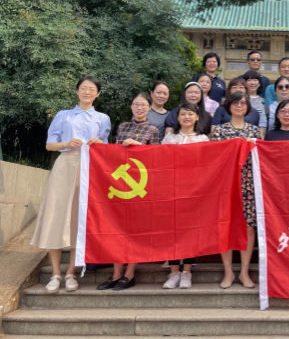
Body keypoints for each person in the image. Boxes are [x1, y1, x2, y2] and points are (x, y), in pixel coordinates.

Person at [31, 76, 110, 294]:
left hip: (89, 168)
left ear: (98, 94)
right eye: (83, 88)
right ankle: (55, 274)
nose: (87, 92)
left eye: (92, 89)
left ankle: (71, 273)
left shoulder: (103, 118)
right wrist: (66, 143)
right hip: (65, 165)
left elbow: (107, 147)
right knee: (56, 215)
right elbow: (49, 145)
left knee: (79, 218)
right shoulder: (63, 115)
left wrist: (100, 143)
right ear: (77, 91)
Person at [96, 93, 159, 291]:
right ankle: (116, 273)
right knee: (117, 229)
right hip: (119, 185)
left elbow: (157, 157)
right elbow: (113, 153)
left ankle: (130, 274)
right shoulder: (123, 127)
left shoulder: (153, 130)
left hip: (140, 186)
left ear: (149, 108)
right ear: (131, 107)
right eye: (136, 104)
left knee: (134, 231)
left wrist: (138, 147)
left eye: (143, 105)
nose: (139, 108)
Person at [212, 92, 261, 289]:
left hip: (248, 184)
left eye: (243, 103)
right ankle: (228, 272)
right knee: (225, 226)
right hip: (225, 185)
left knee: (249, 227)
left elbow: (260, 158)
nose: (239, 105)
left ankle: (244, 271)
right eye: (235, 102)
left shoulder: (254, 131)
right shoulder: (220, 130)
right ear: (229, 106)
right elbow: (214, 158)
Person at [160, 102, 210, 289]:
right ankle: (174, 272)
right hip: (171, 189)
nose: (187, 117)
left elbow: (209, 165)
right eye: (183, 114)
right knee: (171, 231)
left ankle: (187, 272)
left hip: (194, 191)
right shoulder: (169, 138)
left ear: (197, 117)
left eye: (190, 114)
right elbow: (158, 160)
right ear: (178, 117)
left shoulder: (203, 139)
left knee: (190, 232)